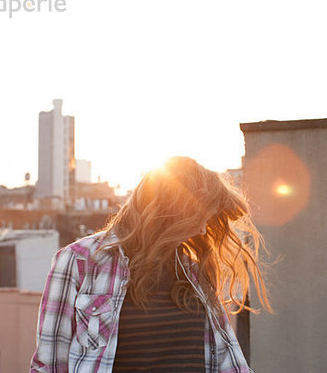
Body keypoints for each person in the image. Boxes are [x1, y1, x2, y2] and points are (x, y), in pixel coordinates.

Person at [30, 156, 272, 373]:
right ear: (171, 211)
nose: (201, 229)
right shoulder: (79, 262)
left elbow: (228, 358)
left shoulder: (193, 272)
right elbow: (49, 366)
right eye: (198, 218)